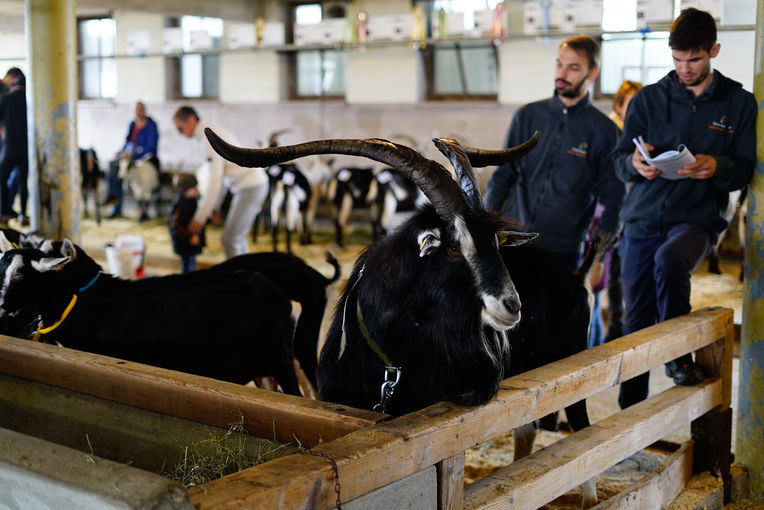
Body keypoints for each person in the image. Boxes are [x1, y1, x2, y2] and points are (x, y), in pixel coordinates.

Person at [612, 8, 756, 409]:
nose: (684, 68)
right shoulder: (648, 99)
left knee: (670, 259)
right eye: (677, 59)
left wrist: (717, 166)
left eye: (693, 59)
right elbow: (620, 157)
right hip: (641, 217)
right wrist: (635, 165)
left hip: (696, 217)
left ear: (714, 50)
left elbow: (744, 169)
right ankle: (631, 411)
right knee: (633, 325)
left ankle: (677, 355)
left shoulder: (739, 103)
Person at [485, 34, 625, 270]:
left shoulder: (604, 131)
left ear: (592, 72)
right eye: (559, 64)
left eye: (573, 68)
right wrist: (485, 229)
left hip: (564, 250)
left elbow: (615, 200)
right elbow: (502, 177)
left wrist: (598, 258)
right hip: (512, 241)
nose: (562, 74)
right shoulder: (527, 117)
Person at [172, 106, 268, 259]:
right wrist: (214, 207)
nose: (180, 133)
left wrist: (200, 216)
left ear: (191, 120)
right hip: (249, 185)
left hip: (250, 186)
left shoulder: (209, 138)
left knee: (230, 239)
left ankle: (239, 279)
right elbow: (222, 178)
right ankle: (245, 275)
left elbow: (214, 180)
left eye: (180, 128)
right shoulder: (210, 133)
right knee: (236, 238)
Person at [105, 101, 159, 218]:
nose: (138, 112)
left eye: (140, 110)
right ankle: (116, 206)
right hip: (129, 159)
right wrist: (121, 151)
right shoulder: (132, 125)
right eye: (135, 110)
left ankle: (143, 211)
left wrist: (133, 154)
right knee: (113, 166)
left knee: (138, 170)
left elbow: (151, 147)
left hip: (146, 159)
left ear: (144, 111)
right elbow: (128, 143)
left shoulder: (151, 125)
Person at [0, 68, 28, 226]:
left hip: (10, 145)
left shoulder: (7, 99)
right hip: (26, 146)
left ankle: (4, 212)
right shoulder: (29, 99)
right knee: (23, 181)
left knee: (2, 178)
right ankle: (23, 214)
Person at [169, 174, 204, 273]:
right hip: (184, 242)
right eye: (193, 188)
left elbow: (196, 218)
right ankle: (187, 284)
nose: (196, 190)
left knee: (191, 262)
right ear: (185, 190)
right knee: (187, 265)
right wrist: (190, 236)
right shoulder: (179, 206)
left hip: (191, 242)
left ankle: (190, 283)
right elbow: (175, 227)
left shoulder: (193, 201)